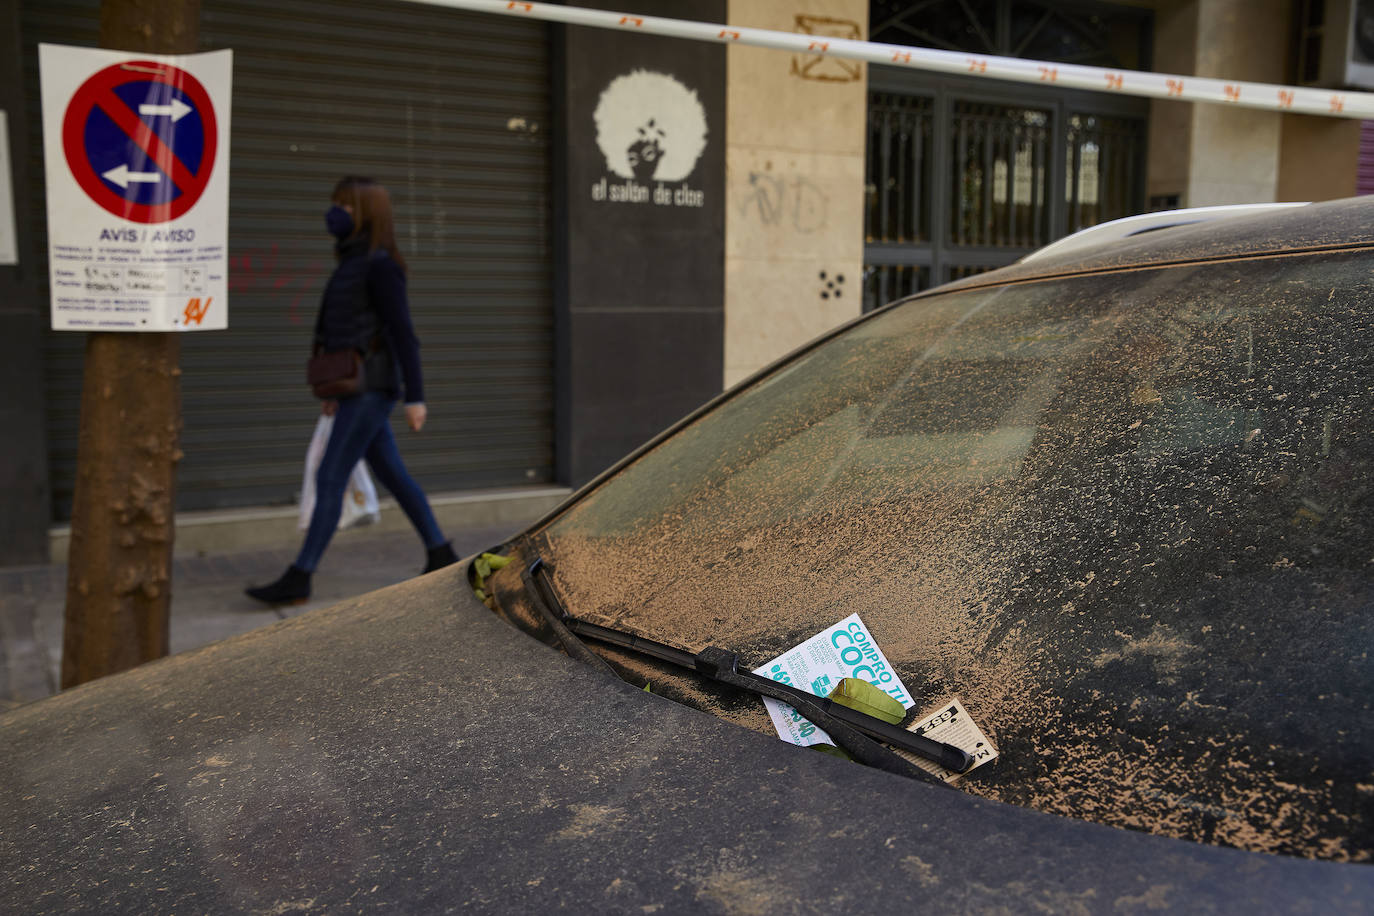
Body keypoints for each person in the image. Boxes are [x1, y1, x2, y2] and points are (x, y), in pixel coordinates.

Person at [246, 176, 457, 605]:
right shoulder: (352, 261)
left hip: (372, 389)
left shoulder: (381, 264)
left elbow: (402, 332)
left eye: (343, 206)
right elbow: (341, 331)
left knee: (330, 475)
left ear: (363, 212)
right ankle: (440, 552)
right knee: (392, 473)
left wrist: (415, 396)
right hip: (354, 389)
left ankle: (300, 577)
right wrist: (332, 387)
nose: (334, 214)